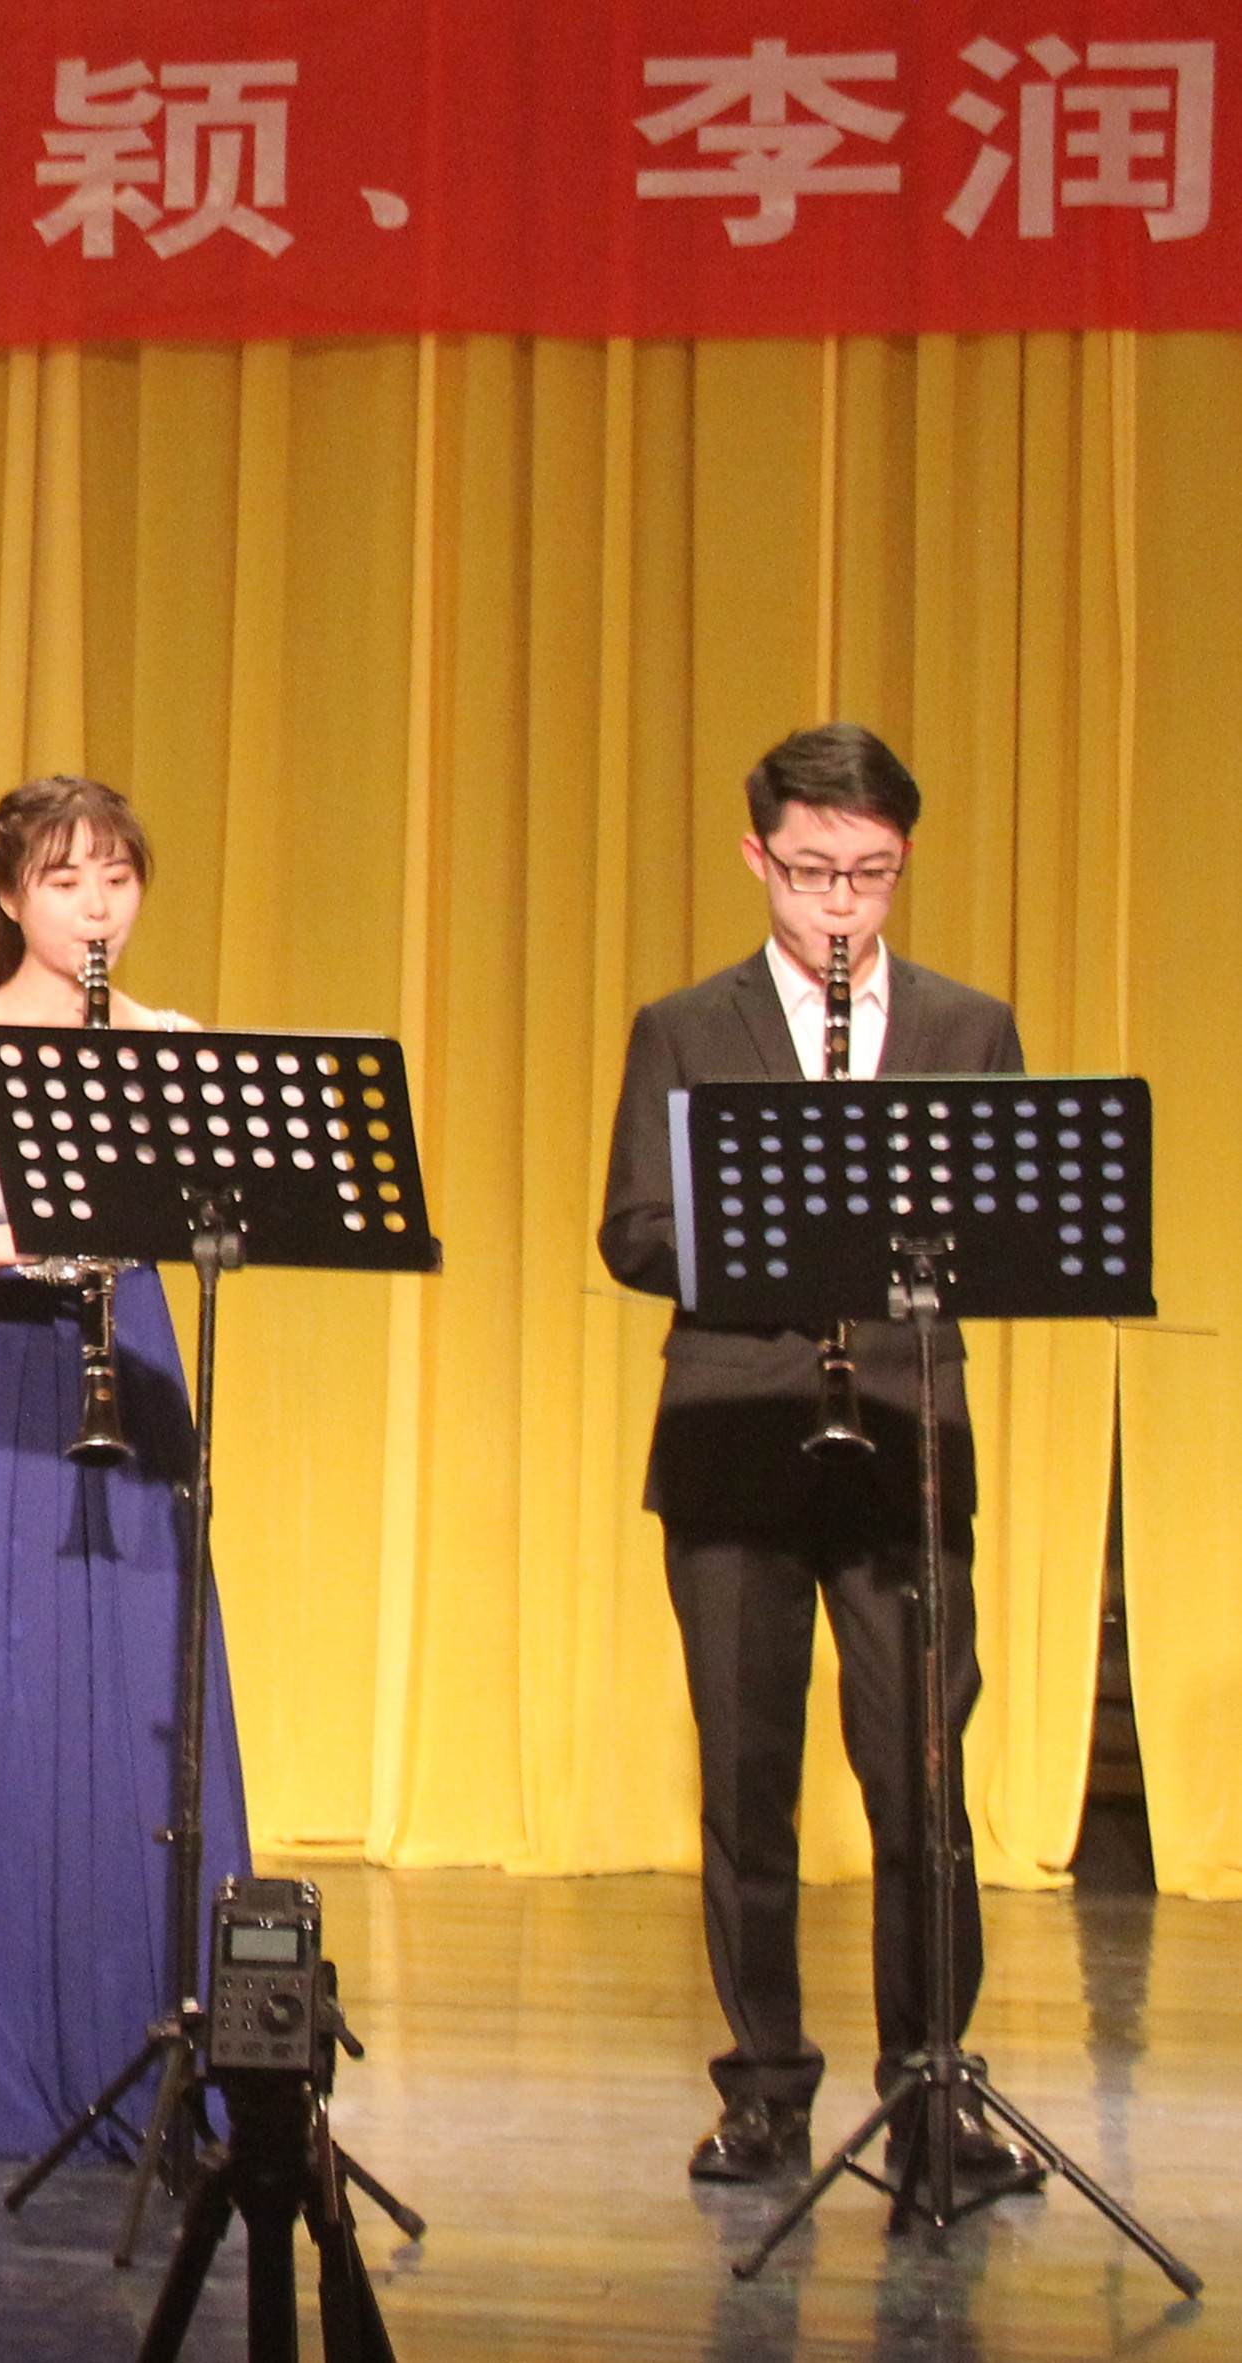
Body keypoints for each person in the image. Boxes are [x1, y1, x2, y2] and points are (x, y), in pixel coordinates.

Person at [598, 722, 1042, 2195]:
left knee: (922, 1780)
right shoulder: (686, 1025)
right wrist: (791, 1244)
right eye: (811, 871)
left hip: (904, 1442)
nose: (840, 902)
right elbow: (633, 1231)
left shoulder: (969, 1029)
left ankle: (932, 2093)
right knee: (747, 1785)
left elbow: (1016, 1234)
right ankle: (766, 2092)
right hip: (737, 1439)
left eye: (870, 872)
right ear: (758, 858)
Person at [0, 775, 253, 2158]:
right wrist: (31, 1239)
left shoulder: (173, 1045)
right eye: (66, 882)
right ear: (15, 898)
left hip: (134, 1364)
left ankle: (154, 2038)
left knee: (142, 1706)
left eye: (117, 879)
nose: (96, 907)